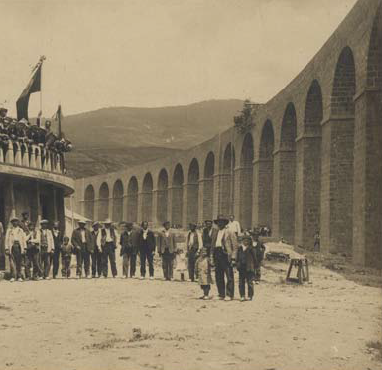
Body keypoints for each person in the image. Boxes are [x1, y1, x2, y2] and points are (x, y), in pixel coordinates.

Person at [210, 215, 237, 301]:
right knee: (218, 275)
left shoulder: (229, 232)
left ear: (224, 223)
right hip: (217, 254)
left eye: (221, 222)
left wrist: (233, 258)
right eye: (218, 222)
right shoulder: (215, 232)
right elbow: (213, 245)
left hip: (225, 254)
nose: (220, 223)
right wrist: (211, 255)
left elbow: (235, 246)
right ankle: (221, 294)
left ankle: (229, 294)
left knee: (229, 275)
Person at [236, 235, 258, 301]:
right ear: (242, 241)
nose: (245, 242)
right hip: (241, 268)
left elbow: (255, 259)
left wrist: (255, 267)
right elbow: (237, 258)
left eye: (247, 240)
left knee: (250, 282)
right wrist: (237, 264)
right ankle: (242, 295)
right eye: (244, 240)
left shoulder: (252, 249)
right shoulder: (239, 248)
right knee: (241, 282)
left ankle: (250, 296)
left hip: (249, 268)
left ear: (249, 241)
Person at [5, 217, 26, 282]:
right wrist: (6, 248)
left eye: (16, 221)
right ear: (12, 223)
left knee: (19, 262)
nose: (15, 223)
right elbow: (6, 240)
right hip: (12, 246)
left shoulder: (21, 230)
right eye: (13, 221)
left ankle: (19, 276)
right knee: (12, 262)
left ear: (18, 222)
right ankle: (13, 276)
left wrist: (24, 248)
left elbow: (23, 240)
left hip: (19, 246)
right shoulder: (9, 230)